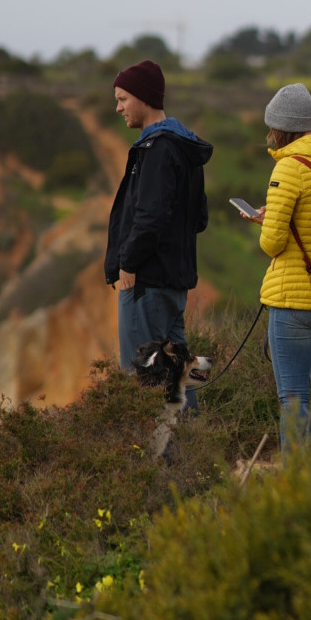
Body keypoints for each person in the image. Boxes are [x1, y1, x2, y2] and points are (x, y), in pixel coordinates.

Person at [241, 82, 311, 454]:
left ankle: (296, 485)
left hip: (294, 303)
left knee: (294, 401)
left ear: (281, 128)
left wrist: (266, 222)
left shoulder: (288, 169)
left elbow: (272, 244)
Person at [104, 58, 212, 396]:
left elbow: (150, 218)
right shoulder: (183, 146)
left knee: (142, 383)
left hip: (145, 283)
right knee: (179, 374)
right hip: (174, 283)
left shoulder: (157, 149)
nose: (118, 107)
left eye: (123, 98)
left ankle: (156, 451)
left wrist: (129, 262)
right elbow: (199, 218)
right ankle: (191, 446)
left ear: (143, 97)